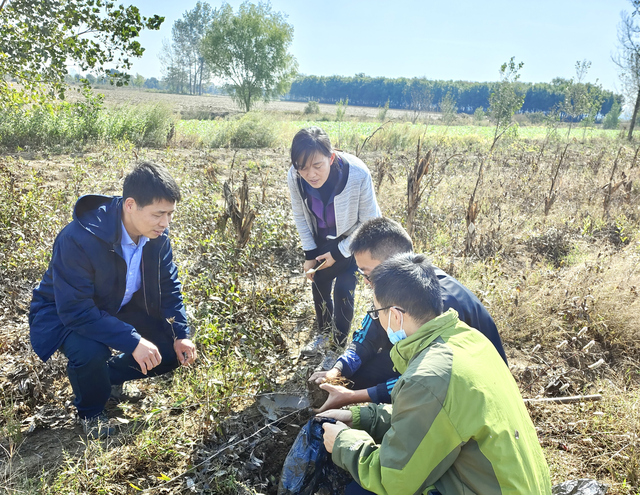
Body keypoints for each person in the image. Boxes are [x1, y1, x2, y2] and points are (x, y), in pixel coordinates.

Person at [320, 253, 552, 495]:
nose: (377, 319)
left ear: (396, 316)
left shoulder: (429, 377)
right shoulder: (469, 339)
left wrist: (343, 444)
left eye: (378, 313)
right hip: (517, 483)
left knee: (361, 491)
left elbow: (393, 480)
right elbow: (432, 417)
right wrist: (360, 417)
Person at [29, 162, 197, 439]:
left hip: (116, 305)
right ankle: (91, 411)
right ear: (130, 205)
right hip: (63, 314)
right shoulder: (79, 238)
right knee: (91, 352)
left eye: (169, 214)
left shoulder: (157, 237)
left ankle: (102, 380)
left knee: (169, 350)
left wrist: (181, 333)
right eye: (158, 214)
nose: (165, 224)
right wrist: (132, 340)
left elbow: (169, 287)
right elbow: (75, 310)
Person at [310, 217, 507, 412]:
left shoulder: (437, 303)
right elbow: (367, 336)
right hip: (431, 363)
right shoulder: (392, 286)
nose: (366, 282)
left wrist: (355, 397)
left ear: (391, 263)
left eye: (368, 274)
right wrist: (337, 371)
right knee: (356, 373)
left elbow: (425, 378)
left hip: (470, 391)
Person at [287, 127, 381, 348]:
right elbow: (300, 214)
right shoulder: (295, 175)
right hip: (323, 237)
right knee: (319, 282)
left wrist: (339, 252)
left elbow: (370, 221)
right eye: (303, 167)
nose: (311, 174)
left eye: (317, 165)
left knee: (343, 290)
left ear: (330, 157)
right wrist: (310, 253)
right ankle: (323, 334)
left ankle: (338, 345)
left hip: (355, 240)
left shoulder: (358, 173)